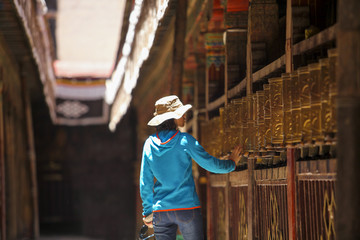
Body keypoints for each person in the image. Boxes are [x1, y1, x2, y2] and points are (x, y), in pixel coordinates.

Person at [140, 95, 243, 240]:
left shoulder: (149, 145)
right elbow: (209, 164)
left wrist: (148, 212)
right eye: (181, 113)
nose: (185, 116)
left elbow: (145, 182)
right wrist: (231, 163)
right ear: (173, 118)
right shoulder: (185, 140)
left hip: (161, 211)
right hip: (187, 208)